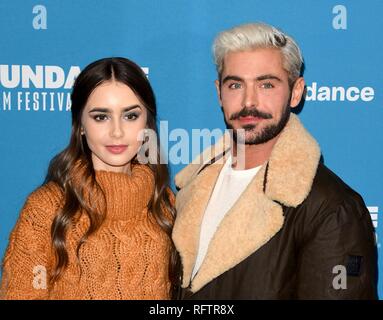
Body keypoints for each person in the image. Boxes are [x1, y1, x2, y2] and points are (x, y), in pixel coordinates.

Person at [172, 23, 377, 299]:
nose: (249, 101)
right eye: (235, 85)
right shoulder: (190, 188)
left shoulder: (332, 207)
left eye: (266, 84)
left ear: (295, 92)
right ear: (219, 93)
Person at [0, 57, 179, 299]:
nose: (117, 131)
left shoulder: (164, 204)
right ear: (81, 125)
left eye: (130, 116)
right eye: (101, 117)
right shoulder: (47, 209)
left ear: (147, 122)